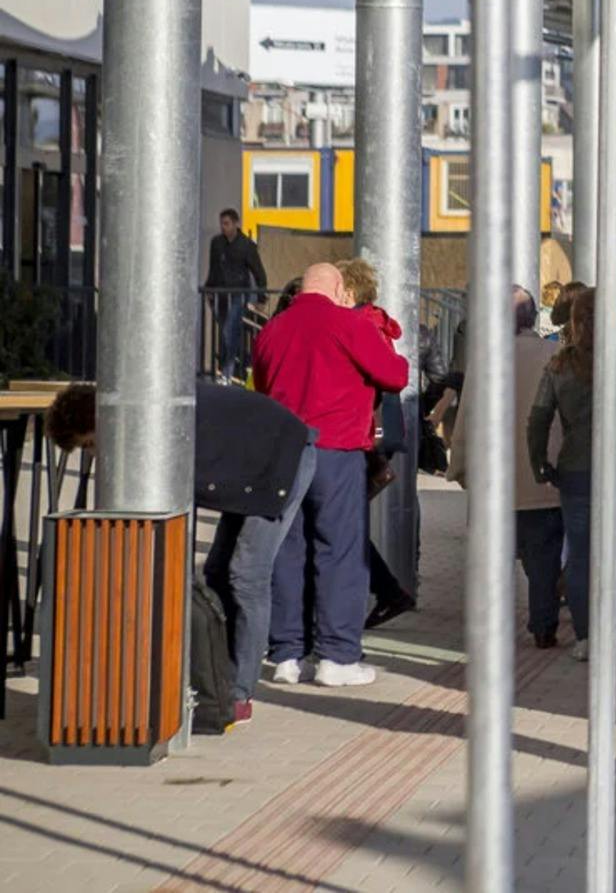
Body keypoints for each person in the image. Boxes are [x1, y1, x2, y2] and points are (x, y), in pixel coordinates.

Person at [49, 379, 314, 730]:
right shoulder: (144, 409)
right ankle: (217, 678)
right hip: (252, 465)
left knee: (248, 576)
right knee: (217, 572)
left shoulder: (155, 419)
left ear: (102, 423)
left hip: (281, 461)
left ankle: (239, 694)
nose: (96, 455)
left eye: (92, 444)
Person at [256, 262, 410, 688]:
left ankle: (286, 654)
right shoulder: (349, 323)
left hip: (285, 453)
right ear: (340, 288)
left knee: (288, 551)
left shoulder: (274, 329)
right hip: (337, 451)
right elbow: (395, 376)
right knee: (340, 552)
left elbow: (262, 384)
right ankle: (337, 657)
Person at [526, 286, 616, 670]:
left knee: (582, 557)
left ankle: (587, 637)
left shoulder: (559, 366)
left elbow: (538, 418)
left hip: (575, 472)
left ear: (574, 322)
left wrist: (538, 461)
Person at [450, 286, 570, 648]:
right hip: (544, 478)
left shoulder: (487, 357)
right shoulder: (557, 354)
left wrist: (461, 466)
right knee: (544, 560)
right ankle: (544, 625)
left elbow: (468, 415)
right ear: (534, 318)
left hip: (495, 482)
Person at [336, 257, 419, 631]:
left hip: (359, 435)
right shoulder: (375, 322)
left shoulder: (359, 324)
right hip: (368, 434)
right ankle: (388, 591)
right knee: (344, 525)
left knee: (341, 527)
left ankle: (385, 592)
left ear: (349, 291)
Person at [205, 209, 268, 378]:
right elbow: (214, 268)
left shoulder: (246, 246)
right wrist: (209, 288)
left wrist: (261, 297)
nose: (223, 227)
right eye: (222, 224)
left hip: (238, 294)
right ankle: (238, 364)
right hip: (220, 294)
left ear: (235, 223)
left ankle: (228, 371)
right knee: (229, 333)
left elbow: (258, 272)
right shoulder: (217, 243)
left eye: (226, 223)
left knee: (229, 331)